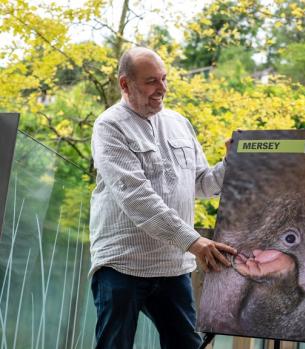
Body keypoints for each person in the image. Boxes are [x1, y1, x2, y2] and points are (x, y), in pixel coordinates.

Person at [89, 47, 237, 349]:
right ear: (125, 84)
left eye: (164, 79)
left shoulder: (180, 123)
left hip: (173, 265)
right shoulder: (109, 126)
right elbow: (136, 197)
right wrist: (195, 242)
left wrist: (231, 162)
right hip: (122, 264)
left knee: (187, 345)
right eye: (151, 81)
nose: (162, 89)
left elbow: (202, 184)